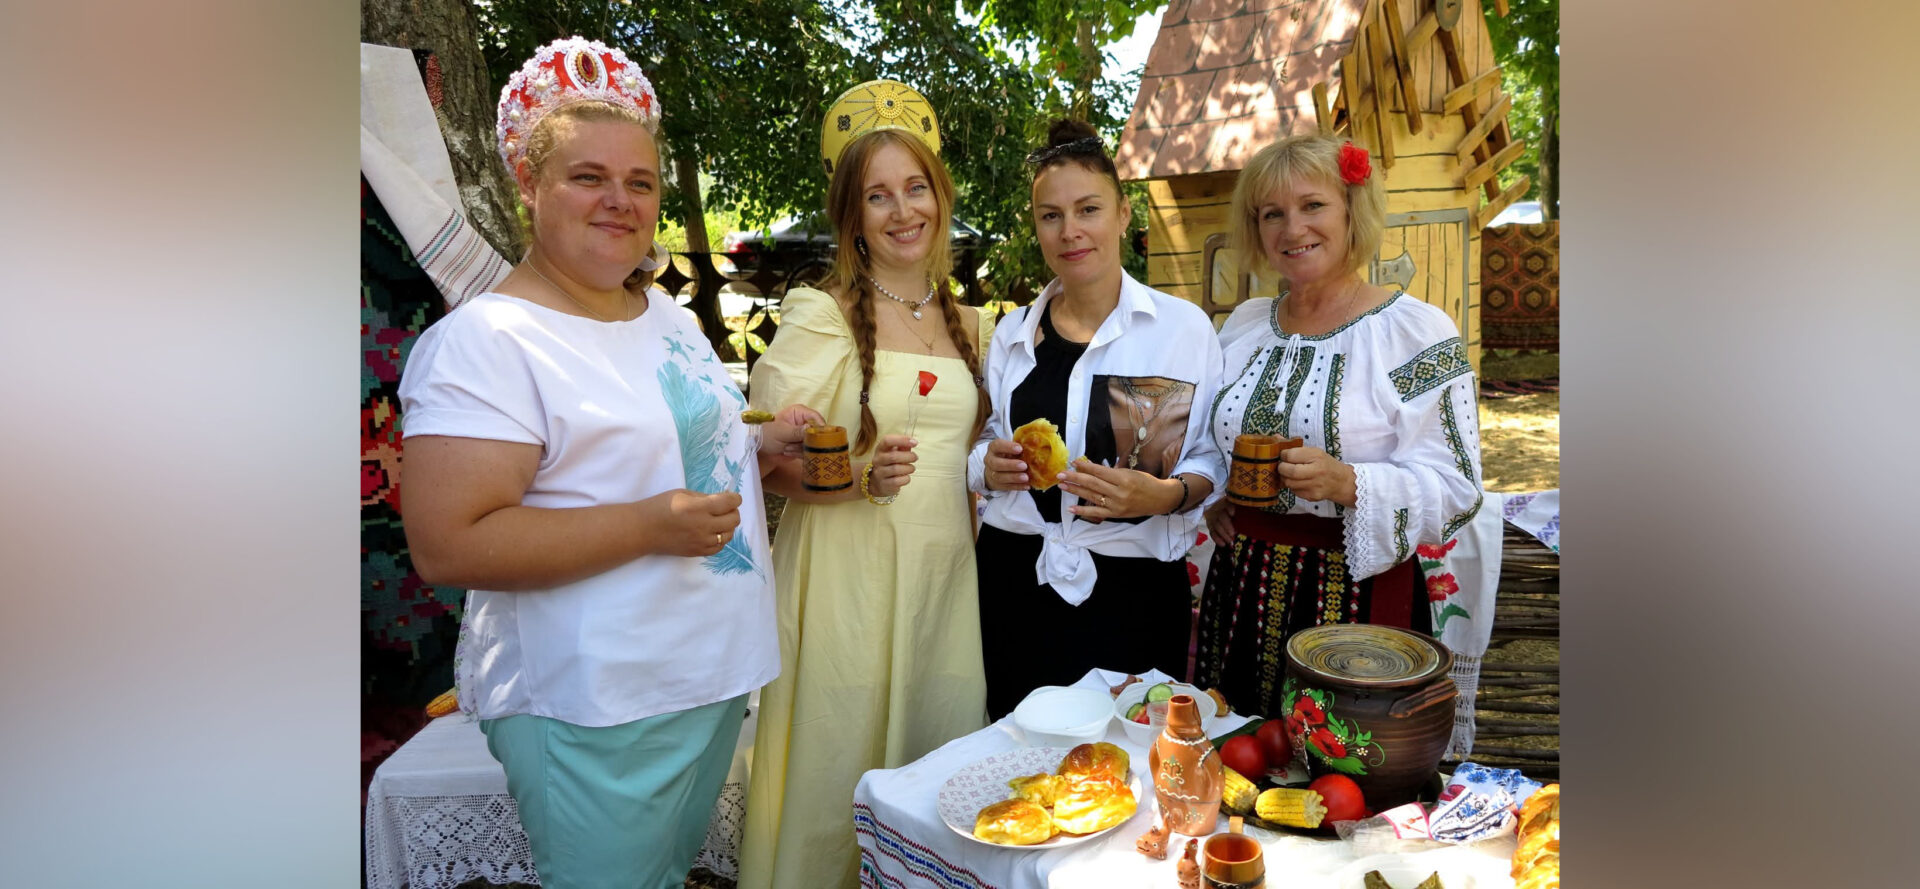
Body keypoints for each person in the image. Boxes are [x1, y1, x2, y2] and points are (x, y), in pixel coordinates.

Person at [395, 37, 820, 889]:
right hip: (594, 703)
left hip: (707, 674)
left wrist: (757, 449)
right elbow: (449, 543)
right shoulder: (487, 342)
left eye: (640, 182)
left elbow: (664, 446)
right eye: (588, 177)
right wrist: (646, 527)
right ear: (529, 182)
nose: (620, 201)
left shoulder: (664, 315)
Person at [739, 80, 993, 889]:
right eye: (878, 195)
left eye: (916, 188)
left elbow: (974, 464)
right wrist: (858, 478)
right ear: (851, 215)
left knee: (934, 768)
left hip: (943, 587)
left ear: (940, 196)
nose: (902, 210)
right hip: (843, 585)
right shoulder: (822, 313)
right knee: (835, 764)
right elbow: (766, 460)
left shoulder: (978, 325)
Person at [1193, 132, 1484, 720]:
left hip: (1357, 592)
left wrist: (1349, 482)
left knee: (1342, 762)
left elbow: (1459, 489)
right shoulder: (1243, 327)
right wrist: (1217, 494)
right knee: (1241, 753)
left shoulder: (1414, 332)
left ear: (1353, 211)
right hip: (1244, 583)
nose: (1292, 228)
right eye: (1272, 213)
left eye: (1313, 205)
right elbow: (1209, 435)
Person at [971, 119, 1227, 720]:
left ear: (1123, 214)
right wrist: (986, 465)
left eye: (1088, 209)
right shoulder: (1011, 334)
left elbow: (1211, 456)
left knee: (1131, 754)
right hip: (1015, 580)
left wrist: (1165, 495)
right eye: (1051, 216)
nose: (1070, 231)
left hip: (1134, 591)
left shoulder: (1182, 331)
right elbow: (985, 439)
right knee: (1019, 749)